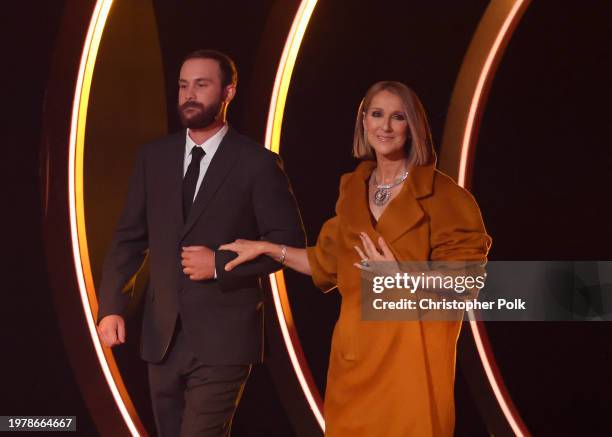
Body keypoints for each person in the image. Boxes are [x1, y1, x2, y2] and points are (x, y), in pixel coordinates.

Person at [219, 81, 492, 436]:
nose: (386, 126)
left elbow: (467, 283)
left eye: (398, 117)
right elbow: (327, 263)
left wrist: (400, 275)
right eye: (377, 114)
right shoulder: (352, 192)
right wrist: (271, 249)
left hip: (411, 363)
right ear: (363, 122)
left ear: (414, 126)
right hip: (354, 361)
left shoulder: (447, 198)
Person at [96, 49, 305, 437]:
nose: (189, 94)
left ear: (228, 92)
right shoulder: (153, 157)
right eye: (183, 85)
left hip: (224, 340)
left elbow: (287, 243)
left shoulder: (257, 163)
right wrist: (111, 306)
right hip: (161, 339)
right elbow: (129, 238)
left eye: (202, 84)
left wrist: (219, 263)